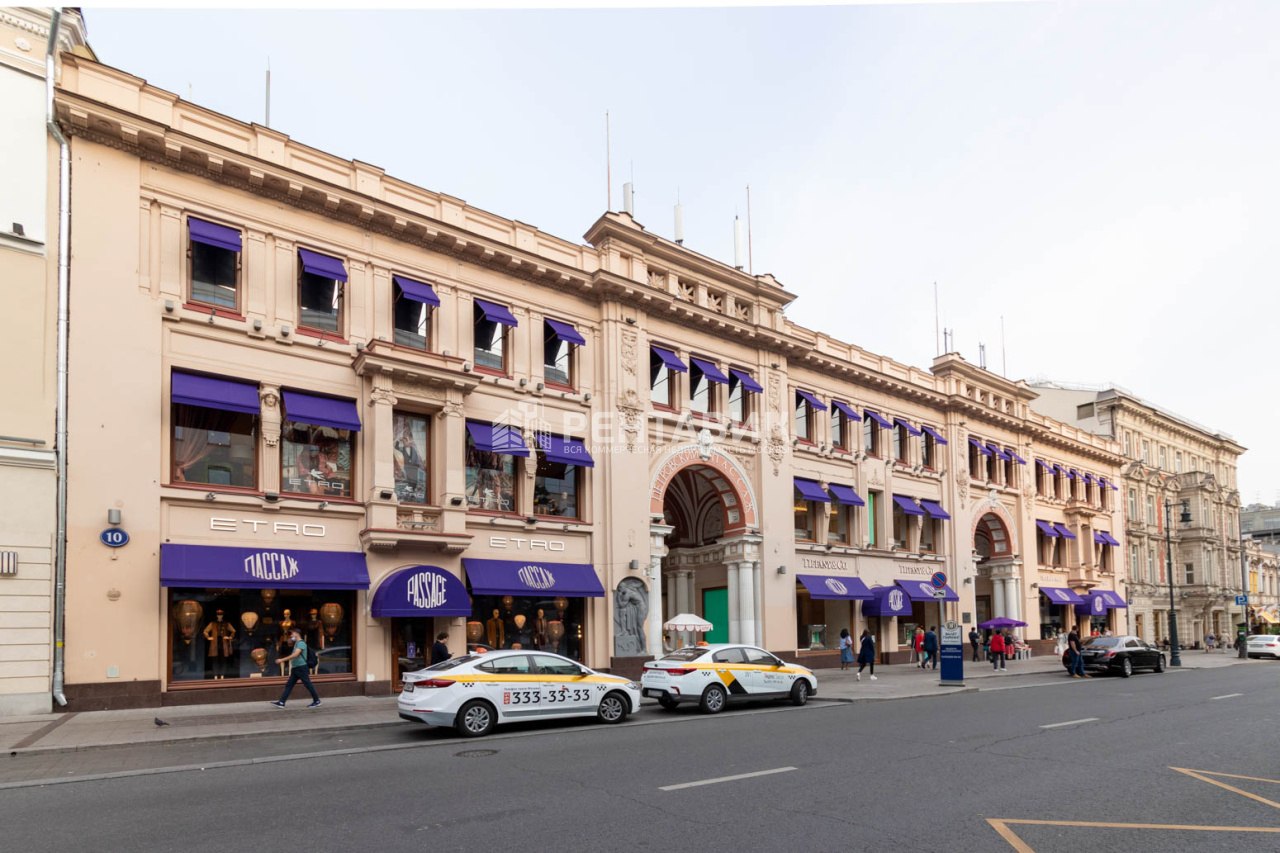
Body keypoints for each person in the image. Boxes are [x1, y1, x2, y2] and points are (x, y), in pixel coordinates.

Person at [270, 627, 320, 708]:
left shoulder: (301, 643)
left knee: (308, 684)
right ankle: (281, 702)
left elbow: (295, 655)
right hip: (296, 668)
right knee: (289, 684)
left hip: (301, 668)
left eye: (292, 633)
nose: (291, 635)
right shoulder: (296, 643)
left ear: (297, 634)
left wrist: (282, 659)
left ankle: (317, 700)